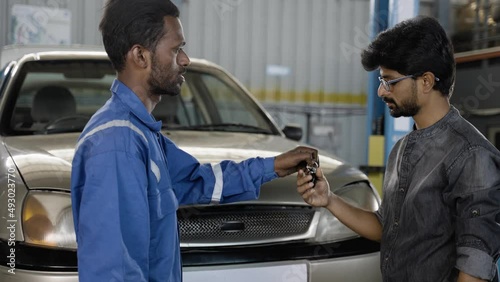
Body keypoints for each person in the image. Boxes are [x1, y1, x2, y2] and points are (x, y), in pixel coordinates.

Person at [70, 0, 318, 281]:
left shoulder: (142, 134)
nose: (185, 59)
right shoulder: (117, 144)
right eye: (176, 50)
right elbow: (115, 272)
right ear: (140, 56)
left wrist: (274, 166)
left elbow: (199, 180)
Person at [297, 16, 500, 282]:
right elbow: (386, 228)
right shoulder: (403, 149)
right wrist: (330, 200)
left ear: (426, 81)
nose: (382, 91)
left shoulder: (471, 154)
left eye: (390, 81)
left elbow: (476, 265)